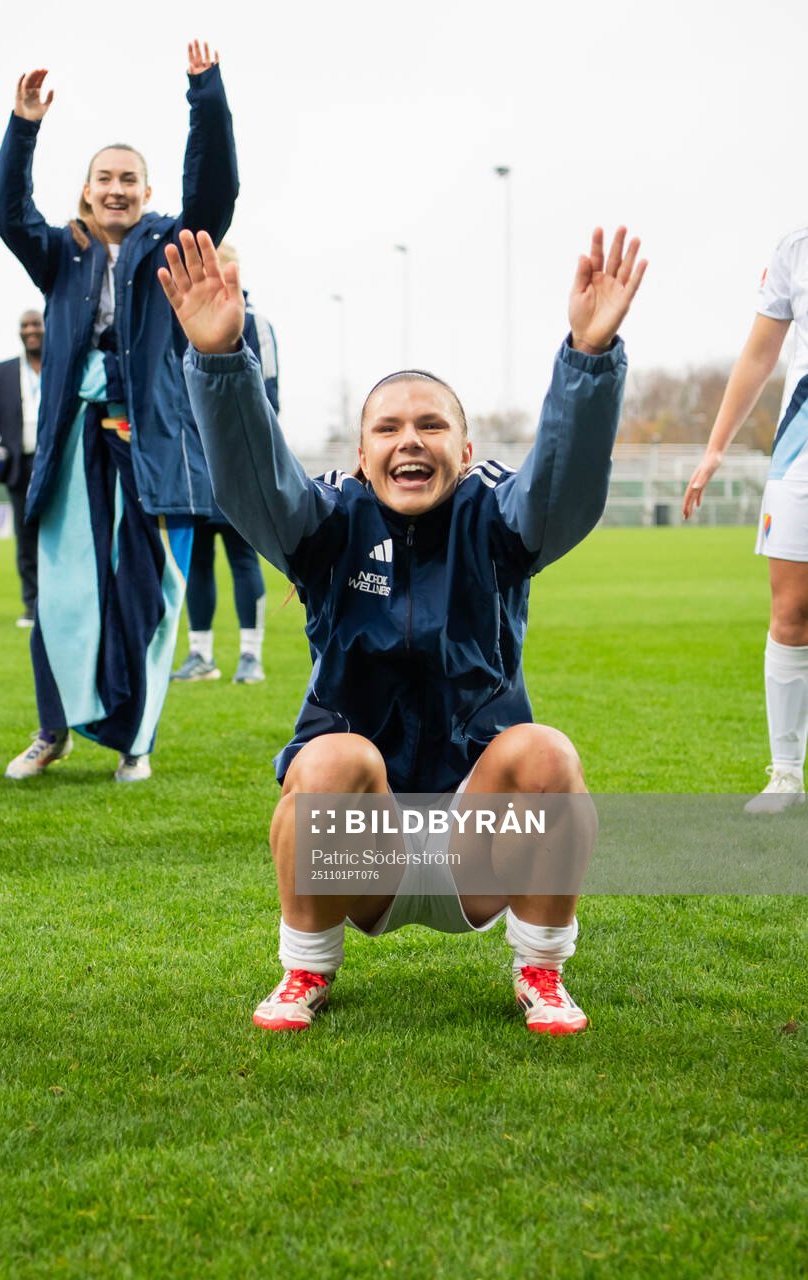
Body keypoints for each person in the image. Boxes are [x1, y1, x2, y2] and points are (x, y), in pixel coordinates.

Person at [160, 225, 646, 1035]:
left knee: (547, 753)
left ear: (466, 444)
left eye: (430, 425)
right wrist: (220, 362)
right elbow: (252, 483)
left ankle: (541, 969)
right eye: (388, 427)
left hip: (478, 847)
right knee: (329, 759)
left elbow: (560, 493)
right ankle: (305, 971)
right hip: (362, 852)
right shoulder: (327, 523)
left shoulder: (494, 518)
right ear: (360, 452)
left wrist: (588, 362)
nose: (409, 440)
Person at [0, 42, 237, 783]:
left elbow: (216, 189)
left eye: (129, 178)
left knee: (149, 599)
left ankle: (138, 740)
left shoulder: (171, 244)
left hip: (155, 446)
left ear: (147, 189)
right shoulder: (59, 252)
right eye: (105, 179)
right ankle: (52, 731)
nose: (117, 189)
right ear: (88, 190)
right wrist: (22, 125)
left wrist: (206, 99)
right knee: (63, 592)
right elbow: (4, 209)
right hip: (72, 446)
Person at [682, 230, 808, 814]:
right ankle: (785, 775)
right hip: (801, 451)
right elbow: (760, 353)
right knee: (792, 610)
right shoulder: (795, 247)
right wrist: (715, 448)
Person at [171, 244, 278, 685]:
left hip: (238, 463)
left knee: (243, 559)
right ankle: (201, 655)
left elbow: (269, 394)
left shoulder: (256, 324)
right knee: (197, 561)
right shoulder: (180, 320)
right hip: (192, 465)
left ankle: (250, 657)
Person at [0, 310, 44, 627]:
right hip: (19, 465)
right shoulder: (1, 373)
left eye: (36, 325)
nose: (31, 330)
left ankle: (62, 602)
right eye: (25, 326)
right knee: (26, 537)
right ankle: (32, 604)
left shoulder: (62, 365)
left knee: (61, 536)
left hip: (56, 463)